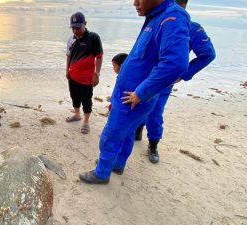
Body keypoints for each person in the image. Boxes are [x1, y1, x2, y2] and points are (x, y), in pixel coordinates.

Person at [79, 0, 191, 184]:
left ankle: (101, 173)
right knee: (128, 133)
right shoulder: (156, 16)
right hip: (129, 94)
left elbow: (176, 63)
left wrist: (141, 92)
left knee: (110, 134)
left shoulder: (172, 17)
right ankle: (117, 164)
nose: (135, 2)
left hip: (133, 97)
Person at [135, 0, 216, 164]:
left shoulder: (191, 27)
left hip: (163, 79)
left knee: (155, 112)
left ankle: (153, 144)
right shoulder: (155, 20)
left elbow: (208, 54)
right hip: (144, 75)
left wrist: (185, 74)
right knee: (138, 103)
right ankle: (137, 130)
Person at [65, 12, 103, 134]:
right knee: (74, 96)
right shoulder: (71, 39)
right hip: (73, 76)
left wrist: (97, 74)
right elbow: (69, 56)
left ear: (85, 24)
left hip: (87, 78)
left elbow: (99, 57)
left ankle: (86, 122)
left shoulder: (93, 38)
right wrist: (67, 71)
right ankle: (77, 114)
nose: (75, 31)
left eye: (78, 27)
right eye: (73, 28)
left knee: (87, 99)